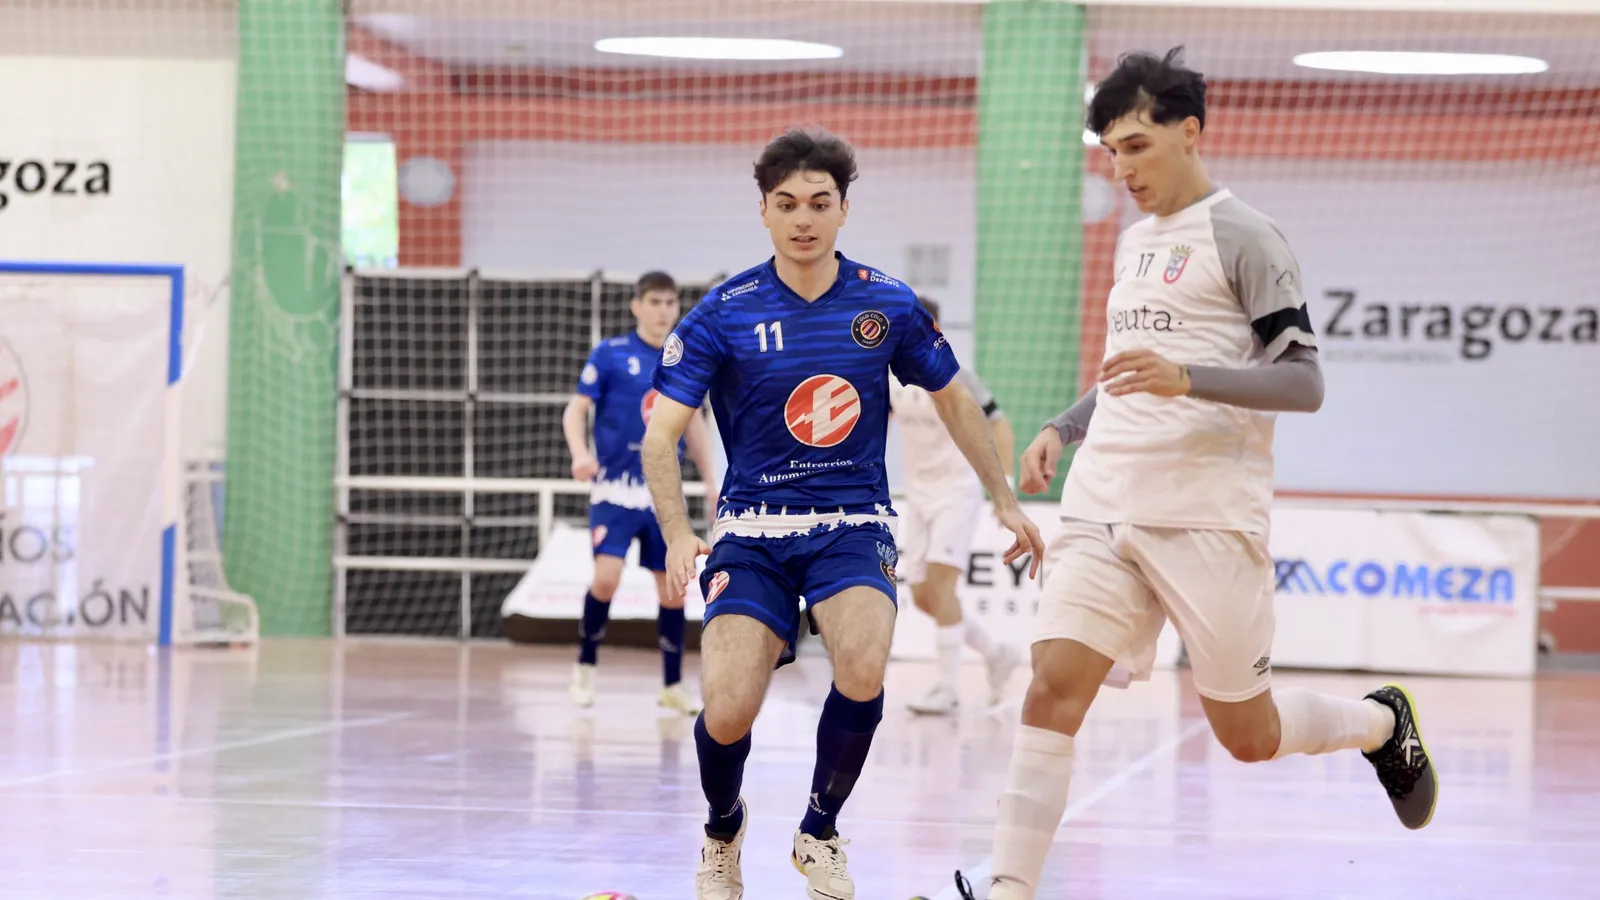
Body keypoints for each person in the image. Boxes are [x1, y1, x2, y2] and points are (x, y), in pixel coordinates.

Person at [953, 48, 1437, 900]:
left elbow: (1305, 384)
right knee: (1052, 686)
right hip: (1104, 501)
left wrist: (1189, 378)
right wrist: (1065, 427)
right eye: (1111, 151)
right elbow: (1129, 370)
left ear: (1190, 131)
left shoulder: (1246, 236)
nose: (1123, 168)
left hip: (1207, 515)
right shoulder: (1133, 242)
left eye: (1137, 145)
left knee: (1247, 736)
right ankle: (1009, 888)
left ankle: (1376, 723)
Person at [641, 126, 1046, 900]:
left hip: (853, 522)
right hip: (752, 530)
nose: (804, 217)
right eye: (787, 203)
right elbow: (660, 437)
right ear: (763, 210)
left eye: (819, 202)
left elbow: (956, 398)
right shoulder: (722, 313)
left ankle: (820, 830)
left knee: (862, 664)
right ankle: (722, 830)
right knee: (727, 709)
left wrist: (1002, 496)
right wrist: (677, 532)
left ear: (844, 209)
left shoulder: (884, 302)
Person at [563, 270, 717, 715]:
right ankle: (585, 668)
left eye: (670, 303)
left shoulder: (684, 358)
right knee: (606, 578)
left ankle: (672, 684)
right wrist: (580, 454)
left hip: (662, 495)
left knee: (672, 589)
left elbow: (695, 425)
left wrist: (711, 481)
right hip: (615, 491)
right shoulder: (610, 354)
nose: (663, 311)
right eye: (654, 302)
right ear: (637, 306)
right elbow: (575, 412)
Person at [890, 294, 1022, 715]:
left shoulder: (957, 375)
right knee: (925, 597)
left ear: (933, 329)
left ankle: (947, 688)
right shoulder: (888, 377)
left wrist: (1004, 490)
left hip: (956, 492)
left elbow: (1000, 426)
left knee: (942, 588)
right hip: (918, 496)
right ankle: (997, 654)